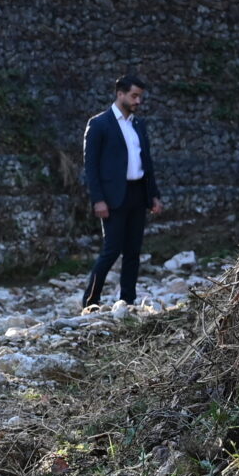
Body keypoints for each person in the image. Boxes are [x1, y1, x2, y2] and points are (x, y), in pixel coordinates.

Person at [81, 73, 165, 308]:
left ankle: (127, 300)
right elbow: (91, 166)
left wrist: (153, 195)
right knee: (111, 250)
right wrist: (97, 199)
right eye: (134, 96)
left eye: (140, 97)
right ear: (120, 94)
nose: (138, 101)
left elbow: (146, 162)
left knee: (133, 251)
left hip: (138, 193)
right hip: (113, 196)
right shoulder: (99, 124)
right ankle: (90, 301)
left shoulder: (138, 124)